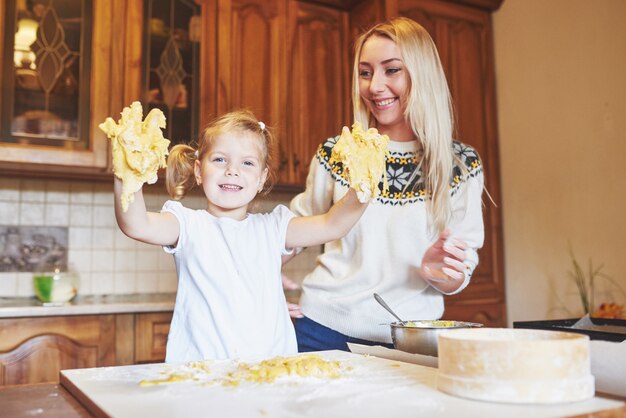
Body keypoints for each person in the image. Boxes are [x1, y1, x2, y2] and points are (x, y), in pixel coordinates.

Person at [285, 17, 485, 352]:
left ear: (421, 75)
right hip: (320, 331)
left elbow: (461, 268)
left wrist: (439, 272)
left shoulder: (461, 165)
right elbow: (291, 230)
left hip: (411, 340)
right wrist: (260, 277)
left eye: (391, 70)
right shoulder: (337, 153)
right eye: (365, 72)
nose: (374, 86)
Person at [113, 110, 369, 362]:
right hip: (201, 377)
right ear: (199, 171)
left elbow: (332, 225)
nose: (232, 170)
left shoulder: (275, 228)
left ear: (262, 178)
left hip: (269, 374)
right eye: (220, 160)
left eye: (247, 163)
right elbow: (136, 225)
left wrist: (363, 186)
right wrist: (126, 173)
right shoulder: (187, 225)